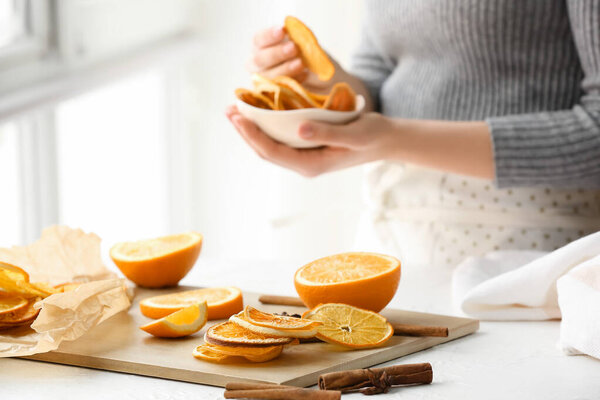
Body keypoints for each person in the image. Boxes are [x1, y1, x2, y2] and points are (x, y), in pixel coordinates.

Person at [226, 1, 600, 273]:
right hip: (395, 237)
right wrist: (322, 86)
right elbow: (381, 79)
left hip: (535, 253)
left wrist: (391, 139)